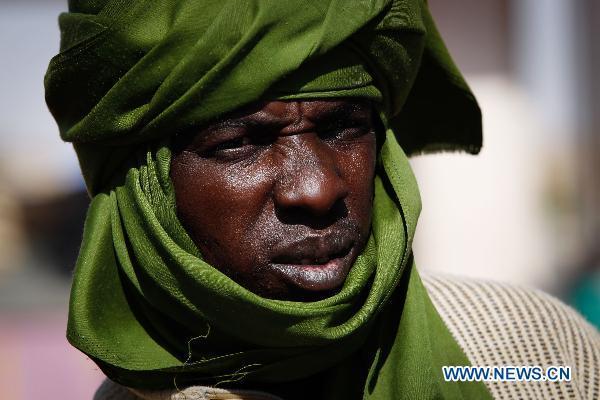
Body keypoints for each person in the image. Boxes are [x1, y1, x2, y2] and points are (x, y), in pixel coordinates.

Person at [44, 0, 599, 399]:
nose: (317, 188)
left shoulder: (532, 357)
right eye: (240, 143)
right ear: (149, 187)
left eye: (342, 128)